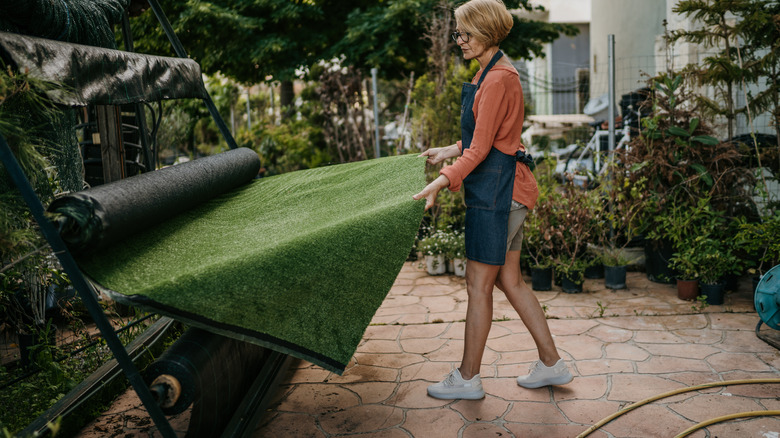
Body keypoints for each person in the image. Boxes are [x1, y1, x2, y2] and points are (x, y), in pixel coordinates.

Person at [412, 0, 573, 400]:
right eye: (458, 34)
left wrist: (439, 183)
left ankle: (468, 378)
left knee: (477, 283)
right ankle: (553, 364)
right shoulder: (491, 72)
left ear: (485, 33)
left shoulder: (499, 78)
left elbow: (482, 149)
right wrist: (450, 151)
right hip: (507, 191)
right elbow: (489, 137)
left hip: (499, 195)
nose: (459, 41)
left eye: (465, 34)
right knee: (509, 279)